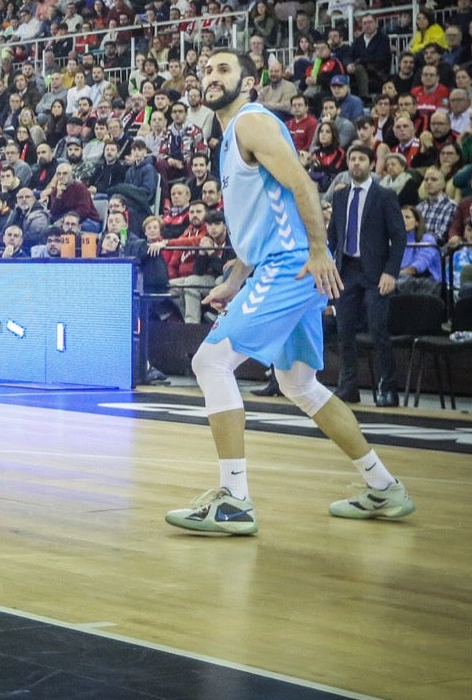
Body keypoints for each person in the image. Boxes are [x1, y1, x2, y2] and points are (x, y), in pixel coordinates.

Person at [165, 50, 415, 537]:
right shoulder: (227, 135)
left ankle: (234, 500)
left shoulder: (252, 123)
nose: (211, 77)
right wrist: (236, 278)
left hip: (289, 268)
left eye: (223, 69)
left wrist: (320, 251)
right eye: (207, 70)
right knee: (299, 384)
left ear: (250, 82)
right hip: (276, 266)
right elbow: (258, 217)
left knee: (209, 363)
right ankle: (384, 487)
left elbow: (301, 182)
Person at [326, 145, 407, 406]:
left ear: (372, 165)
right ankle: (348, 385)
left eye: (362, 159)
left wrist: (391, 272)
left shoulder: (384, 195)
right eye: (352, 158)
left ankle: (388, 386)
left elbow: (399, 237)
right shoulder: (339, 197)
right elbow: (333, 237)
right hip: (346, 270)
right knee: (344, 330)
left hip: (376, 272)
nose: (356, 163)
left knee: (378, 329)